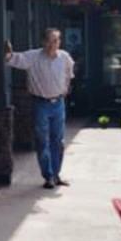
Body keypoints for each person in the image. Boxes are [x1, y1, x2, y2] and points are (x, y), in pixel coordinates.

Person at [6, 28, 76, 189]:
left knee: (58, 141)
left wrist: (65, 89)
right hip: (41, 103)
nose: (53, 44)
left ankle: (57, 174)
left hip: (58, 103)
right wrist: (8, 53)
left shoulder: (64, 57)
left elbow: (69, 75)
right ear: (43, 42)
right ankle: (48, 176)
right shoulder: (33, 56)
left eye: (56, 40)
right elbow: (14, 59)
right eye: (50, 41)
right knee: (42, 140)